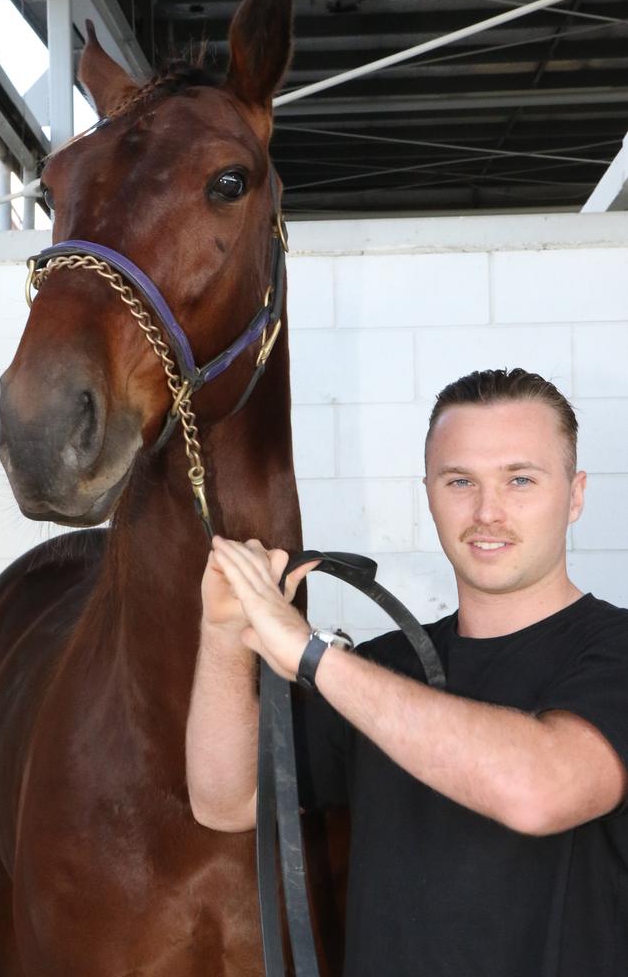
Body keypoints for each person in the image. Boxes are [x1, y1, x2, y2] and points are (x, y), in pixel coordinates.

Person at [186, 367, 628, 977]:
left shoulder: (614, 651)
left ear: (575, 495)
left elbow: (539, 791)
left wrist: (311, 655)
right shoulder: (381, 669)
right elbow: (227, 800)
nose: (487, 511)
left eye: (520, 479)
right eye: (460, 481)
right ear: (428, 494)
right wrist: (223, 635)